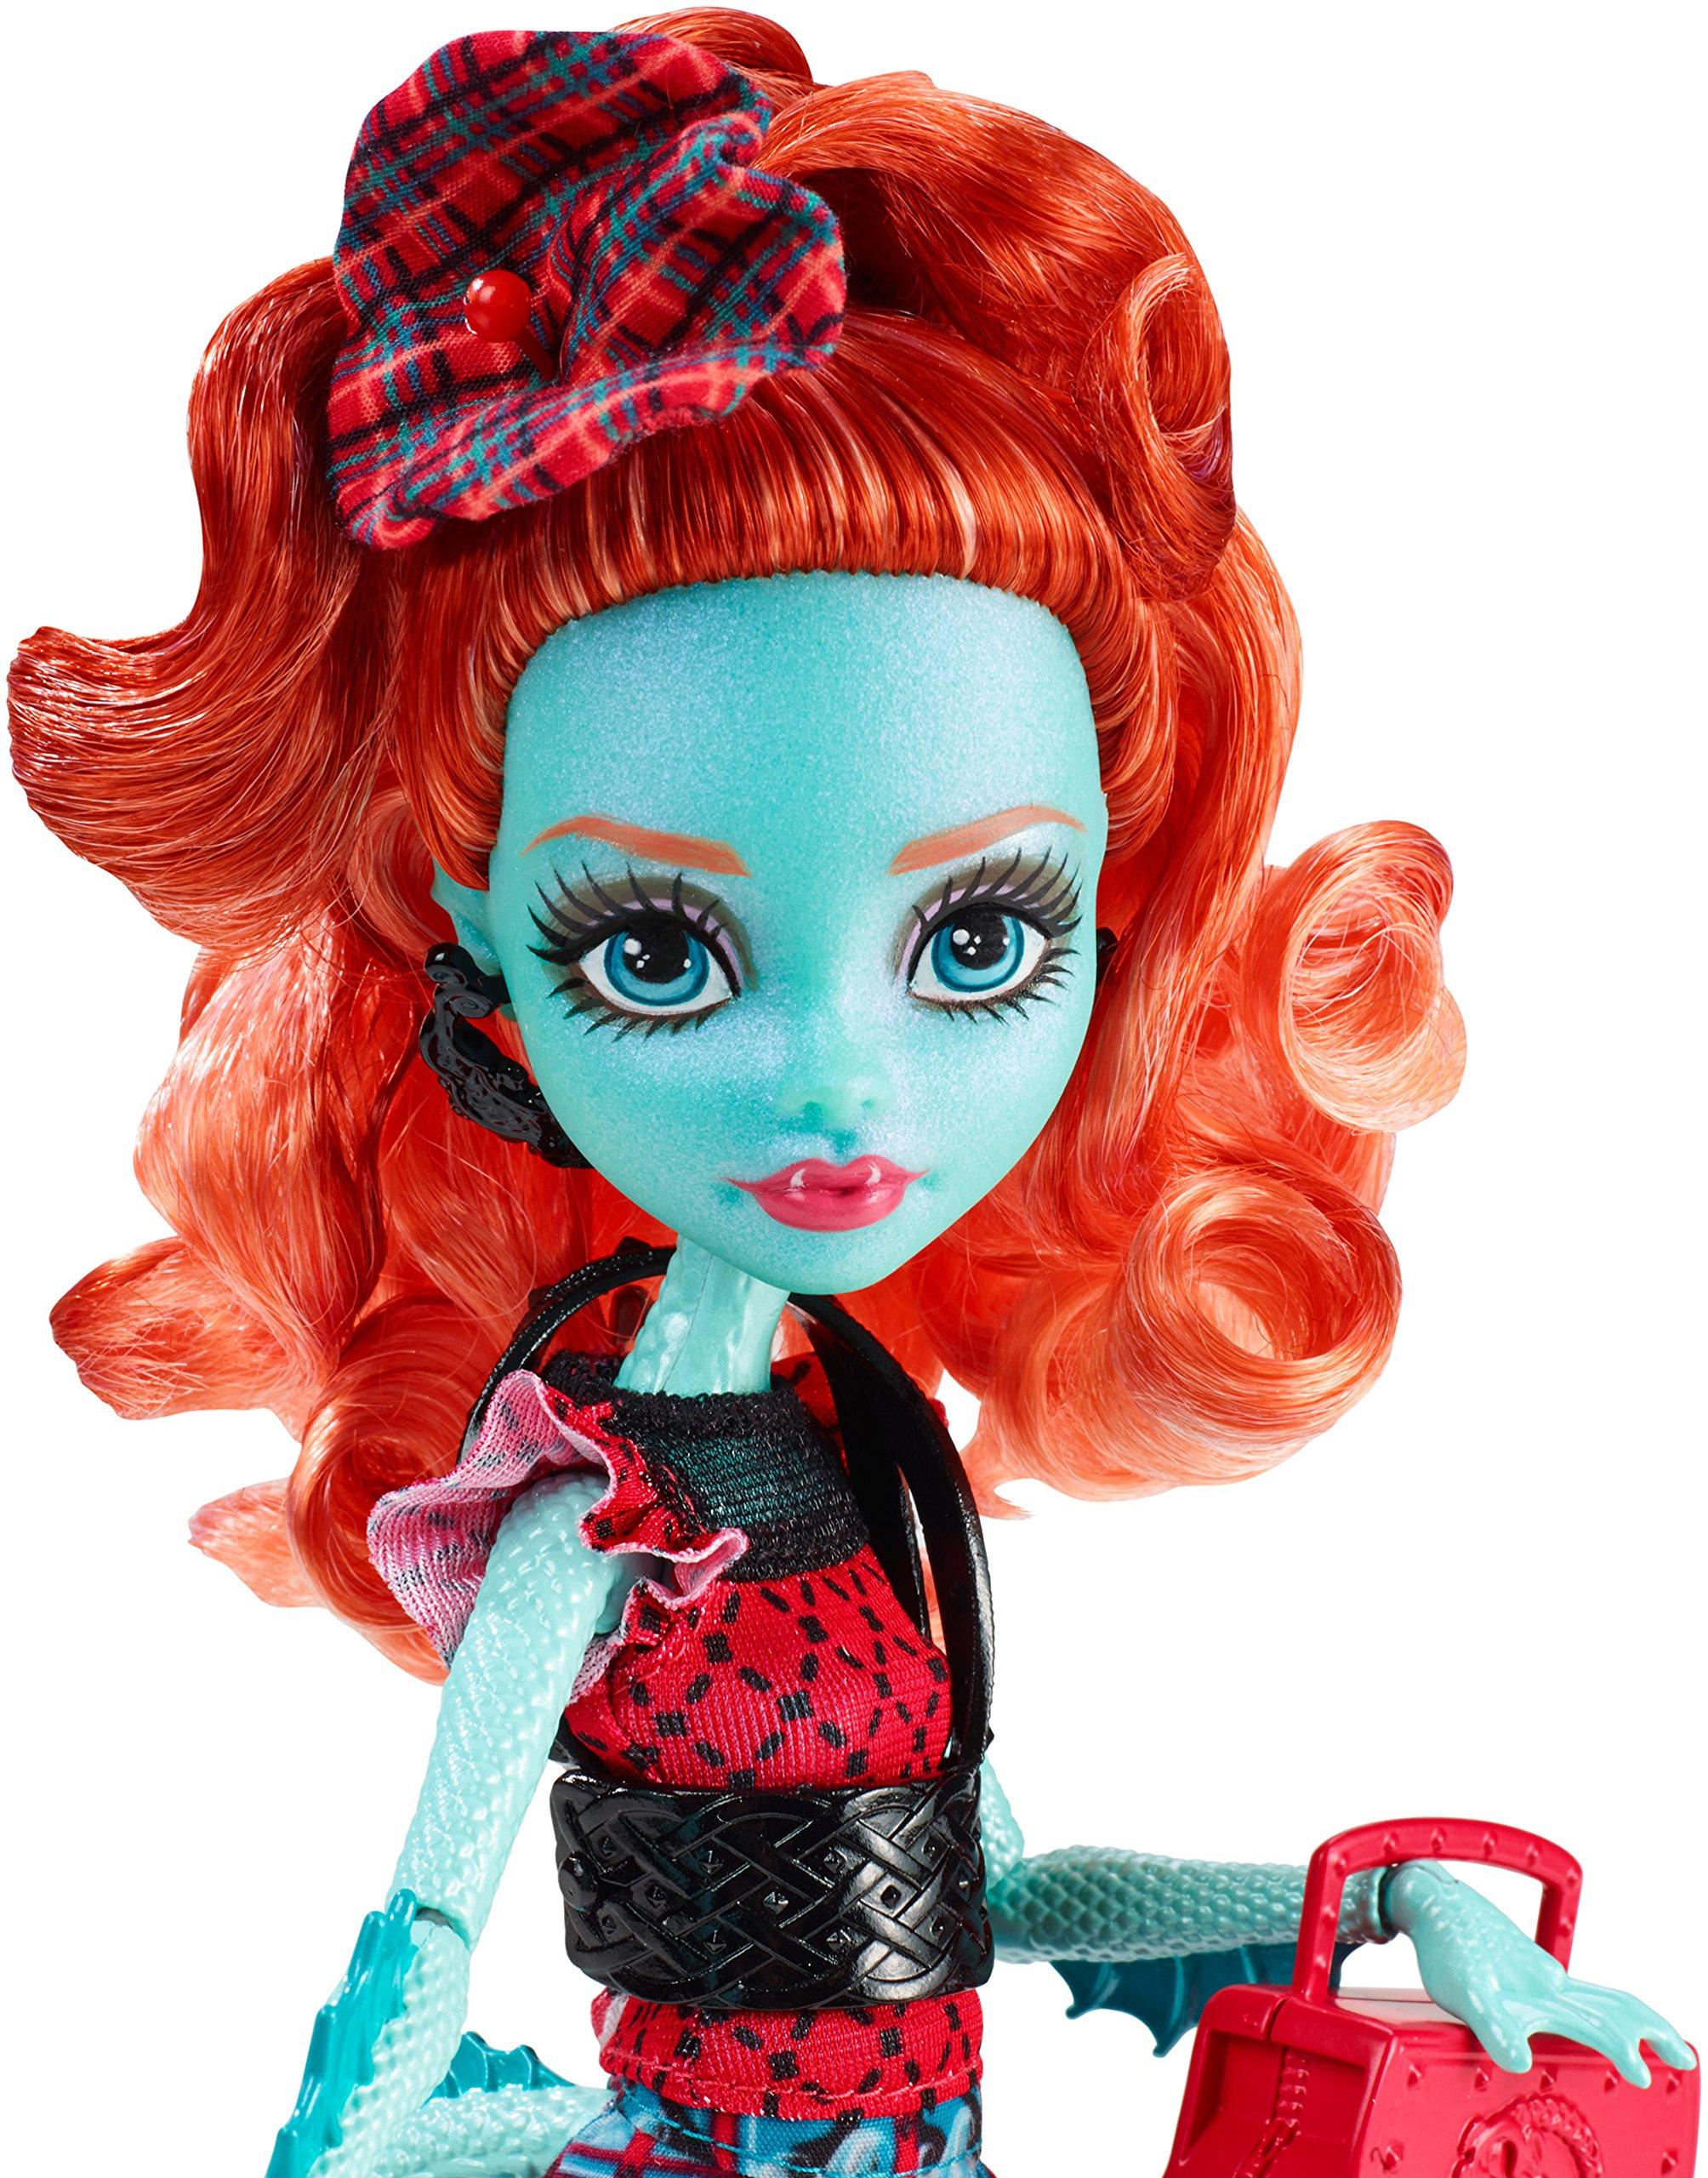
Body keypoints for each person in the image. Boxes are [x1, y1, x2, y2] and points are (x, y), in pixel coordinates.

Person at [9, 18, 1690, 2177]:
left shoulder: (874, 1475)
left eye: (977, 937)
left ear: (1116, 915)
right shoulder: (584, 1502)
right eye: (655, 949)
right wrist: (404, 2141)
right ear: (478, 948)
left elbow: (1009, 1883)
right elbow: (419, 1952)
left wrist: (1386, 1902)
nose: (836, 1080)